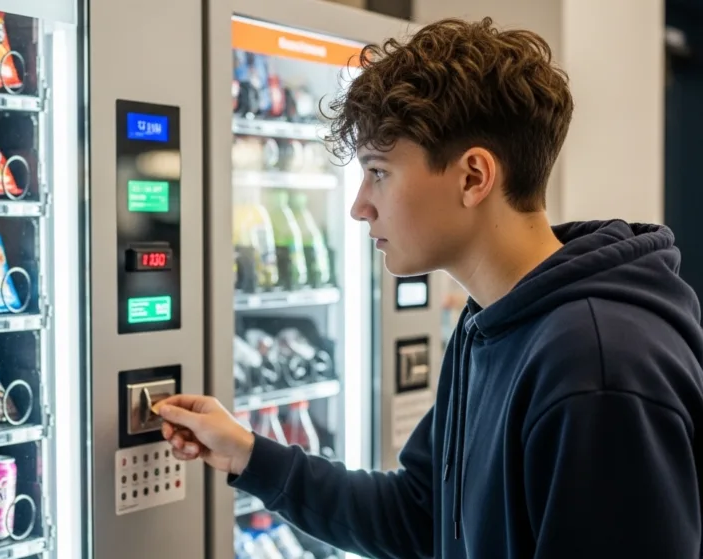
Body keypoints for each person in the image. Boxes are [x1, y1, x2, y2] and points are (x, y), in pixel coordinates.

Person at [156, 16, 703, 559]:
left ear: (473, 177)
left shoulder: (597, 365)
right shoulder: (490, 322)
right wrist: (249, 456)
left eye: (379, 173)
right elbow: (421, 516)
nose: (359, 207)